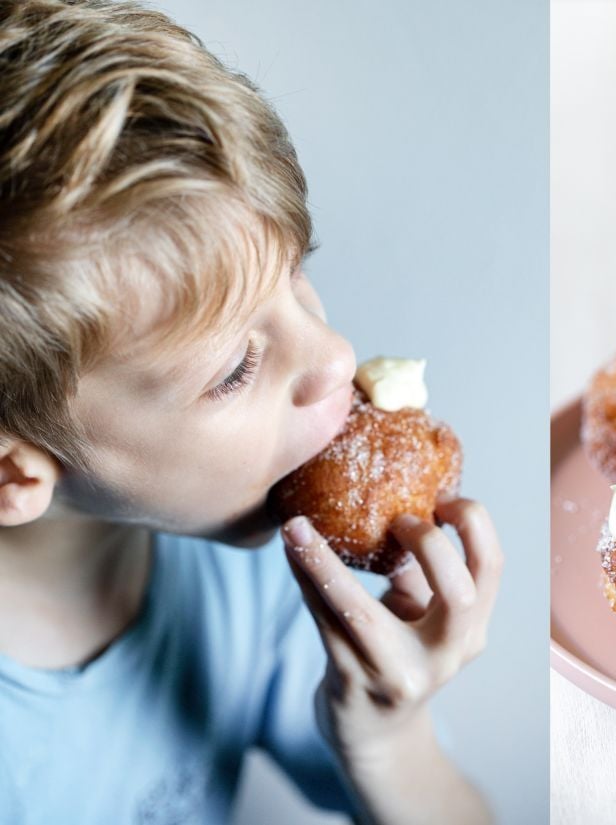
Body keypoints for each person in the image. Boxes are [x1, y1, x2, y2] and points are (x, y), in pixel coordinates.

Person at [0, 1, 503, 822]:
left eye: (297, 276)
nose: (336, 355)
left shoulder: (252, 569)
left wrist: (388, 734)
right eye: (235, 368)